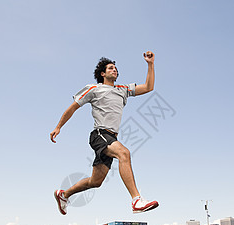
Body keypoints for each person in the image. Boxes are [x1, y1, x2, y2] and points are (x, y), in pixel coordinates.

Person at [50, 51, 159, 215]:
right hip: (100, 135)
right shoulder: (93, 89)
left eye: (116, 68)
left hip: (112, 137)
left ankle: (64, 194)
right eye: (110, 68)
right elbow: (72, 108)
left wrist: (150, 64)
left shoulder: (123, 90)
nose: (114, 70)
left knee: (95, 181)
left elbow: (149, 87)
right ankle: (136, 200)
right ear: (102, 73)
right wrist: (58, 127)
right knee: (124, 153)